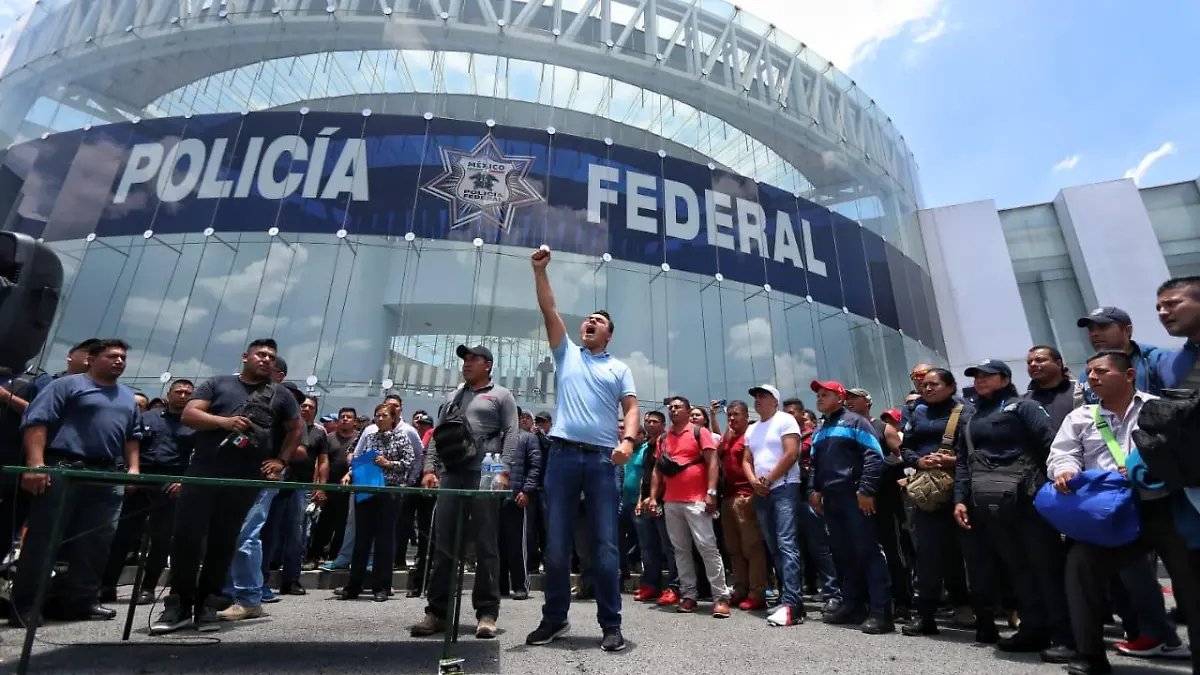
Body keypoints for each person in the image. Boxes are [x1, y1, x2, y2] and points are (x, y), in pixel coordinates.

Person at [1049, 350, 1198, 675]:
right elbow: (1062, 453)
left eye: (1101, 371)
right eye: (1089, 372)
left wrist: (1144, 469)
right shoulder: (1080, 417)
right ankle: (1090, 656)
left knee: (1191, 582)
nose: (1093, 377)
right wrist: (1065, 470)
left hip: (1163, 507)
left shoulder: (1159, 408)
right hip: (1110, 511)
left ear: (1129, 374)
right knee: (1081, 566)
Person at [526, 246, 638, 652]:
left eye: (600, 321)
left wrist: (627, 441)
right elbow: (549, 310)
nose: (590, 322)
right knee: (556, 544)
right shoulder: (567, 354)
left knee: (605, 545)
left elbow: (631, 409)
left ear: (609, 334)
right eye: (589, 319)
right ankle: (554, 619)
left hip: (602, 461)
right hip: (562, 457)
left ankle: (611, 624)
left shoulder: (618, 368)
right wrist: (540, 272)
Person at [151, 338, 302, 635]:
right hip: (203, 472)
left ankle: (208, 603)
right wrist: (225, 422)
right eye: (261, 354)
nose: (267, 359)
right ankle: (178, 603)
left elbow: (296, 429)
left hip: (244, 478)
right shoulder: (217, 384)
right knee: (187, 538)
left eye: (272, 356)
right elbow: (190, 414)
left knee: (224, 541)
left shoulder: (281, 395)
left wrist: (281, 460)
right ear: (245, 356)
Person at [10, 339, 142, 625]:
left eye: (123, 358)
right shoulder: (65, 386)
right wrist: (35, 465)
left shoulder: (127, 398)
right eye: (112, 356)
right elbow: (37, 422)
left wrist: (133, 469)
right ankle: (26, 606)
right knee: (45, 540)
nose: (120, 361)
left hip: (107, 476)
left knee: (96, 542)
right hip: (63, 469)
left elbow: (133, 438)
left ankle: (81, 602)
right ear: (91, 360)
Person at [952, 359, 1070, 653]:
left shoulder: (1024, 407)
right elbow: (967, 462)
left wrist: (1059, 492)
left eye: (987, 376)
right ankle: (1033, 630)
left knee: (1045, 568)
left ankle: (1065, 636)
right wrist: (960, 500)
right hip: (990, 504)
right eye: (976, 376)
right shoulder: (971, 416)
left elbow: (1051, 446)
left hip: (1029, 500)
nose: (980, 380)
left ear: (1005, 379)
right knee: (1016, 569)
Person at [411, 345, 517, 641]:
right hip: (452, 473)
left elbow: (512, 433)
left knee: (485, 543)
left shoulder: (501, 395)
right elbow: (438, 436)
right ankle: (438, 612)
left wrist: (505, 470)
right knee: (444, 543)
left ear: (488, 365)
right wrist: (429, 469)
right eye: (464, 360)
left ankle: (487, 613)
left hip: (485, 475)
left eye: (473, 359)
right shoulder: (453, 396)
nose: (467, 364)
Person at [100, 378, 196, 605]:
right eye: (178, 391)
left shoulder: (194, 424)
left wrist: (185, 481)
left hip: (171, 484)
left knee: (161, 539)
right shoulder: (147, 418)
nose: (182, 396)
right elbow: (127, 446)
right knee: (122, 537)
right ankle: (106, 586)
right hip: (140, 480)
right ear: (168, 394)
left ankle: (148, 588)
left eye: (187, 393)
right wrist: (128, 474)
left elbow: (198, 457)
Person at [808, 380, 892, 634]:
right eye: (819, 395)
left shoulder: (856, 422)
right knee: (843, 554)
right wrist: (812, 491)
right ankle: (852, 606)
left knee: (868, 552)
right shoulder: (821, 429)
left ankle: (881, 613)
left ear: (841, 397)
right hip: (831, 501)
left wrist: (866, 490)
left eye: (826, 394)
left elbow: (873, 456)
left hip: (854, 497)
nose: (820, 398)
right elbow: (813, 464)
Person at [899, 368, 973, 635]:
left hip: (961, 490)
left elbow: (977, 449)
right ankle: (925, 615)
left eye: (934, 384)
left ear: (951, 387)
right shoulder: (916, 414)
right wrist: (919, 461)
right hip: (928, 493)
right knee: (928, 554)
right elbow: (905, 448)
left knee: (965, 552)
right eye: (925, 385)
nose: (927, 389)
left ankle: (968, 606)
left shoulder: (965, 412)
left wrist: (951, 461)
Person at [645, 396, 730, 618]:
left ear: (688, 409)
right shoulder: (664, 438)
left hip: (697, 500)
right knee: (680, 550)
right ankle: (689, 595)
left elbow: (712, 462)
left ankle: (720, 597)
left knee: (707, 548)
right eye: (670, 407)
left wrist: (711, 492)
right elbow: (657, 469)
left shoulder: (699, 432)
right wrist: (653, 497)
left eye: (677, 407)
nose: (673, 410)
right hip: (672, 501)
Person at [336, 403, 419, 601]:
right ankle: (354, 585)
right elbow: (359, 459)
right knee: (361, 538)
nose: (380, 419)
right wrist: (350, 473)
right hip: (367, 490)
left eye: (384, 415)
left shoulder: (402, 437)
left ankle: (381, 586)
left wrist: (388, 463)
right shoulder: (370, 436)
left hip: (389, 492)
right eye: (377, 415)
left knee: (384, 540)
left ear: (392, 418)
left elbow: (409, 463)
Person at [744, 386, 802, 626]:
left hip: (784, 488)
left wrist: (768, 479)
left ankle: (793, 605)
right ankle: (788, 598)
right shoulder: (751, 429)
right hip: (761, 491)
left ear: (774, 401)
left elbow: (791, 454)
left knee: (787, 542)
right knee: (774, 545)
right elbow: (746, 459)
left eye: (763, 396)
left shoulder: (785, 420)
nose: (758, 400)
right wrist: (754, 482)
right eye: (756, 397)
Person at [500, 409, 542, 600]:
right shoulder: (497, 437)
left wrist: (526, 491)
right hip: (495, 497)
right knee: (496, 543)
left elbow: (535, 467)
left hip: (517, 498)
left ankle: (520, 585)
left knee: (517, 543)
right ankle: (499, 585)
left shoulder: (527, 438)